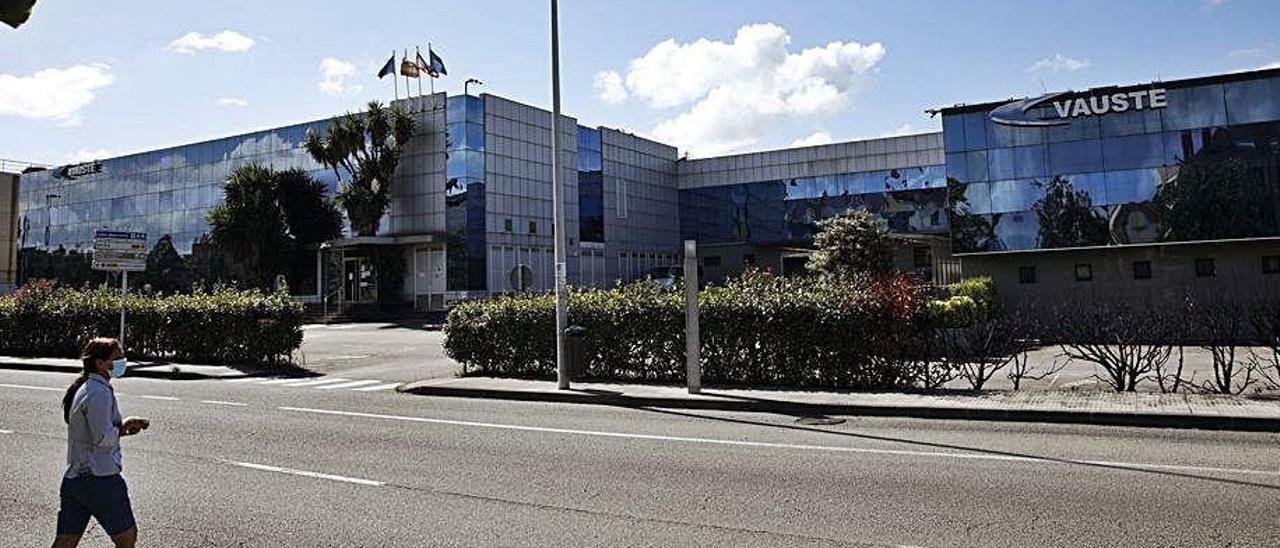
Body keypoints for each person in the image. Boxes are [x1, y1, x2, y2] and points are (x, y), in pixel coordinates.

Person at [52, 338, 150, 548]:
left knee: (66, 541)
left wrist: (121, 427)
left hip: (76, 479)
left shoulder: (87, 388)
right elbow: (102, 438)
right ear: (100, 363)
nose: (123, 361)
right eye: (118, 357)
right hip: (100, 479)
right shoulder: (98, 392)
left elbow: (97, 431)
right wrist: (122, 430)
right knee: (127, 538)